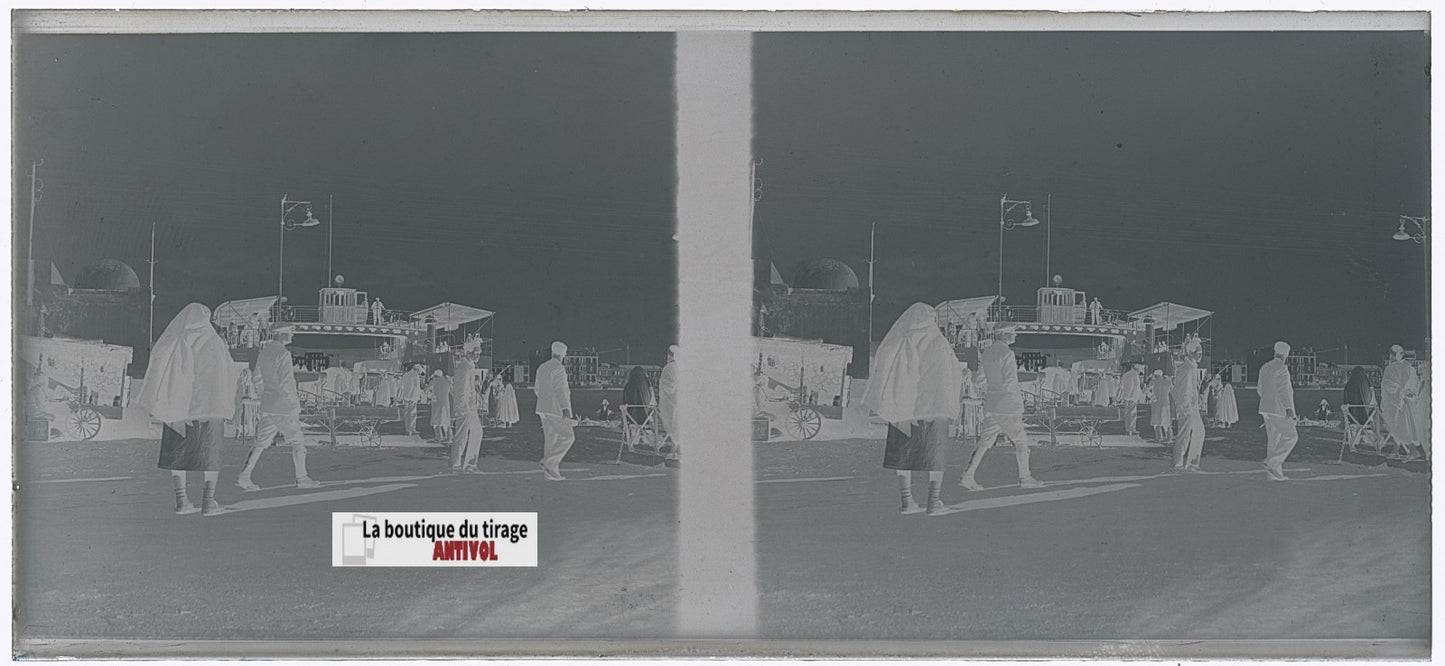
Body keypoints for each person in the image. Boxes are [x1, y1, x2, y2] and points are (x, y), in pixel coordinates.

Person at [136, 304, 241, 516]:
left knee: (178, 454)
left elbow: (158, 367)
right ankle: (208, 501)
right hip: (209, 407)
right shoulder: (214, 341)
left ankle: (181, 500)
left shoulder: (173, 340)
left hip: (178, 408)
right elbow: (227, 373)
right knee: (210, 454)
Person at [865, 304, 962, 515]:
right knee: (934, 453)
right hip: (933, 408)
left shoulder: (898, 339)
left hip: (903, 408)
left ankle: (906, 501)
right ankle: (933, 501)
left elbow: (882, 366)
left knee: (903, 453)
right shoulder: (938, 342)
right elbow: (950, 375)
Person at [959, 326, 1043, 491]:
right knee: (1021, 440)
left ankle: (968, 475)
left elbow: (980, 379)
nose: (1016, 334)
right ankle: (1025, 478)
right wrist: (1017, 403)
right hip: (1007, 405)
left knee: (985, 441)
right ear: (1005, 334)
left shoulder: (988, 352)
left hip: (992, 403)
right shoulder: (1007, 353)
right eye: (1013, 332)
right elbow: (1010, 381)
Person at [237, 324, 319, 491]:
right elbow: (287, 382)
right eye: (289, 333)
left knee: (260, 442)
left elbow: (257, 378)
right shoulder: (283, 353)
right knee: (297, 440)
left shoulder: (264, 351)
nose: (292, 336)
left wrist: (265, 394)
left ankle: (244, 476)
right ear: (281, 335)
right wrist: (294, 403)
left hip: (268, 403)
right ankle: (302, 478)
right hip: (283, 405)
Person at [535, 341, 576, 480]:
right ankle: (549, 462)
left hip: (542, 408)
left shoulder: (542, 367)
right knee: (568, 436)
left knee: (550, 440)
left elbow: (537, 389)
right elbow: (560, 390)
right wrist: (565, 408)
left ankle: (551, 474)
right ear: (563, 354)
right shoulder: (559, 368)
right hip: (555, 409)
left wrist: (543, 401)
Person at [1258, 341, 1298, 480]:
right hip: (1278, 409)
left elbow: (1260, 389)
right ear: (1285, 355)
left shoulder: (1265, 367)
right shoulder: (1282, 368)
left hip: (1265, 409)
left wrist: (1267, 401)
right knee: (1291, 436)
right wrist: (1289, 408)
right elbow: (1284, 390)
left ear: (1275, 353)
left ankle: (1274, 475)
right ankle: (1272, 462)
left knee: (1273, 440)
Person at [1381, 344, 1422, 460]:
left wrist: (1401, 392)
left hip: (1398, 403)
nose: (1391, 356)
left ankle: (1410, 451)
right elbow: (1414, 384)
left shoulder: (1393, 368)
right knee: (1402, 427)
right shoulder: (1409, 367)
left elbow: (1387, 384)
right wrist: (1407, 392)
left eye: (1393, 354)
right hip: (1404, 402)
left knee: (1402, 427)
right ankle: (1399, 450)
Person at [1171, 342, 1207, 473]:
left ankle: (1192, 463)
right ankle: (1178, 464)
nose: (1200, 355)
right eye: (1198, 353)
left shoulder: (1191, 368)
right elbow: (1182, 390)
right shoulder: (1186, 369)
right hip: (1187, 408)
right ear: (1190, 353)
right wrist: (1185, 407)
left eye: (1201, 352)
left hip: (1193, 407)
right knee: (1184, 435)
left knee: (1199, 432)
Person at [449, 351, 484, 473]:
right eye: (475, 353)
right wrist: (462, 408)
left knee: (477, 432)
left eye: (479, 353)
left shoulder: (469, 367)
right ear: (468, 353)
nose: (478, 355)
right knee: (461, 435)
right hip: (465, 408)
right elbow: (461, 389)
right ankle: (456, 464)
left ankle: (469, 464)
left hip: (471, 407)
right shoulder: (465, 368)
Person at [659, 345, 679, 452]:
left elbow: (667, 387)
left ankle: (673, 450)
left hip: (669, 401)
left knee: (671, 425)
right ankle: (676, 448)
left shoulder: (668, 368)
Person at [1117, 363, 1144, 436]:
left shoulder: (1125, 374)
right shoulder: (1135, 375)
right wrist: (1138, 396)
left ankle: (1127, 429)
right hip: (1133, 397)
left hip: (1125, 396)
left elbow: (1121, 386)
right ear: (1138, 370)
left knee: (1126, 413)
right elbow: (1137, 387)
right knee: (1132, 414)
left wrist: (1119, 397)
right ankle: (1132, 429)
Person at [397, 364, 422, 436]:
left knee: (406, 414)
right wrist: (418, 396)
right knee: (413, 414)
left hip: (406, 396)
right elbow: (416, 387)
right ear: (417, 370)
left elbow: (402, 386)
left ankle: (407, 429)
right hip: (413, 397)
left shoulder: (405, 374)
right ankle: (412, 429)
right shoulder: (415, 375)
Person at [428, 369, 452, 443]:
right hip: (445, 403)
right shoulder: (447, 381)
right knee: (446, 421)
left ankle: (439, 437)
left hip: (436, 403)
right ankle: (449, 437)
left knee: (436, 421)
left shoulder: (433, 381)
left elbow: (428, 390)